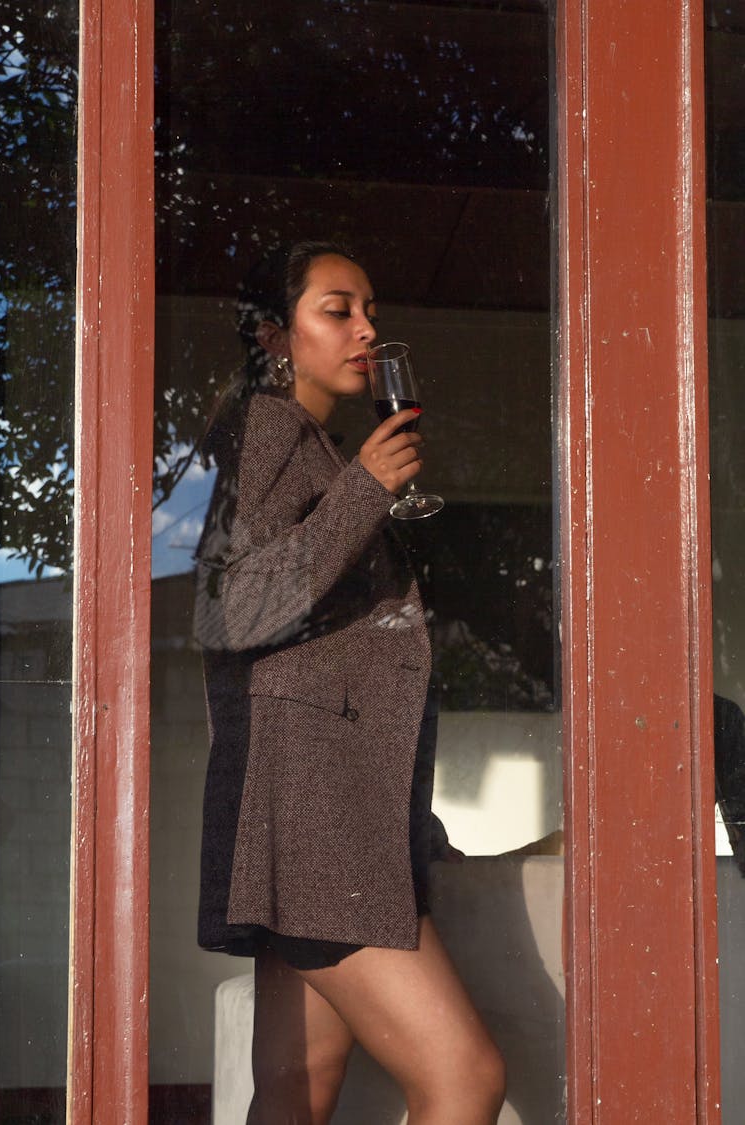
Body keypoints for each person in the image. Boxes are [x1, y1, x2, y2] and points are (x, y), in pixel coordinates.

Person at [195, 240, 506, 1124]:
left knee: (296, 1091)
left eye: (371, 308)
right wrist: (366, 487)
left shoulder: (304, 444)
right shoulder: (265, 429)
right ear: (273, 336)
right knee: (465, 1078)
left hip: (318, 818)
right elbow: (233, 610)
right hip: (316, 825)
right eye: (339, 309)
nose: (367, 327)